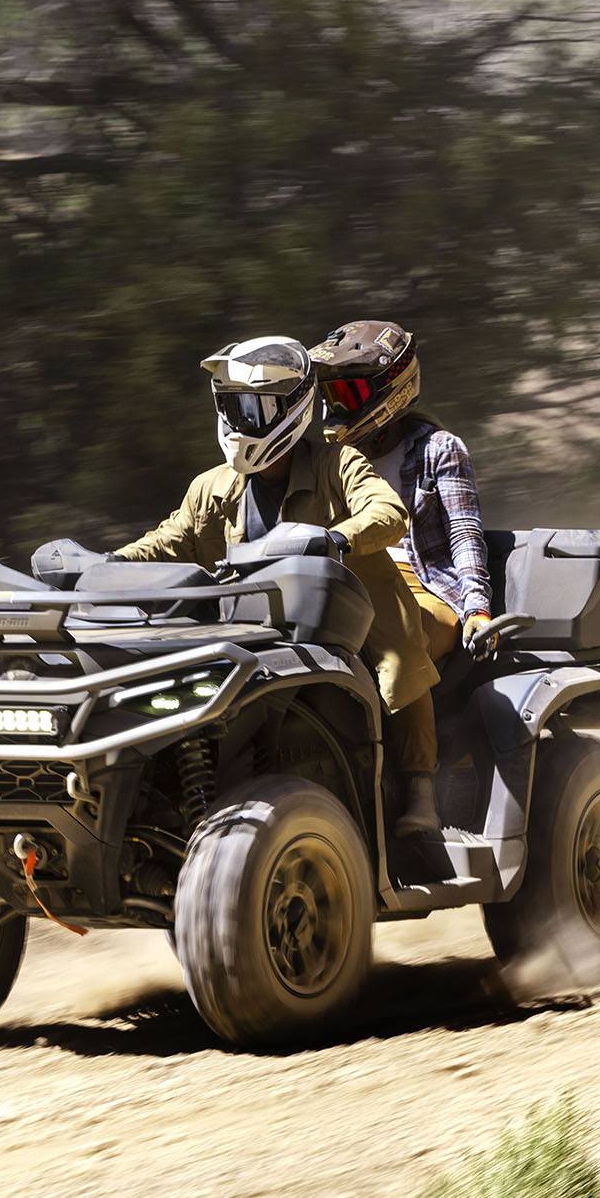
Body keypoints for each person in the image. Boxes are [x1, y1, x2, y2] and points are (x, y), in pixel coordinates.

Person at [114, 336, 444, 835]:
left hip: (353, 620)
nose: (241, 420)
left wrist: (336, 539)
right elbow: (167, 541)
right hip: (252, 629)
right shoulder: (212, 487)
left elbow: (388, 513)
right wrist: (101, 563)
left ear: (293, 409)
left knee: (398, 665)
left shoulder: (338, 464)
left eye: (254, 407)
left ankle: (421, 793)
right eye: (232, 406)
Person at [309, 319, 494, 688]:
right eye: (331, 397)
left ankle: (412, 748)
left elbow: (464, 533)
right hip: (352, 589)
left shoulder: (439, 449)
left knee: (388, 649)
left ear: (391, 387)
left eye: (349, 393)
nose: (337, 407)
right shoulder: (327, 461)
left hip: (426, 591)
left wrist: (477, 608)